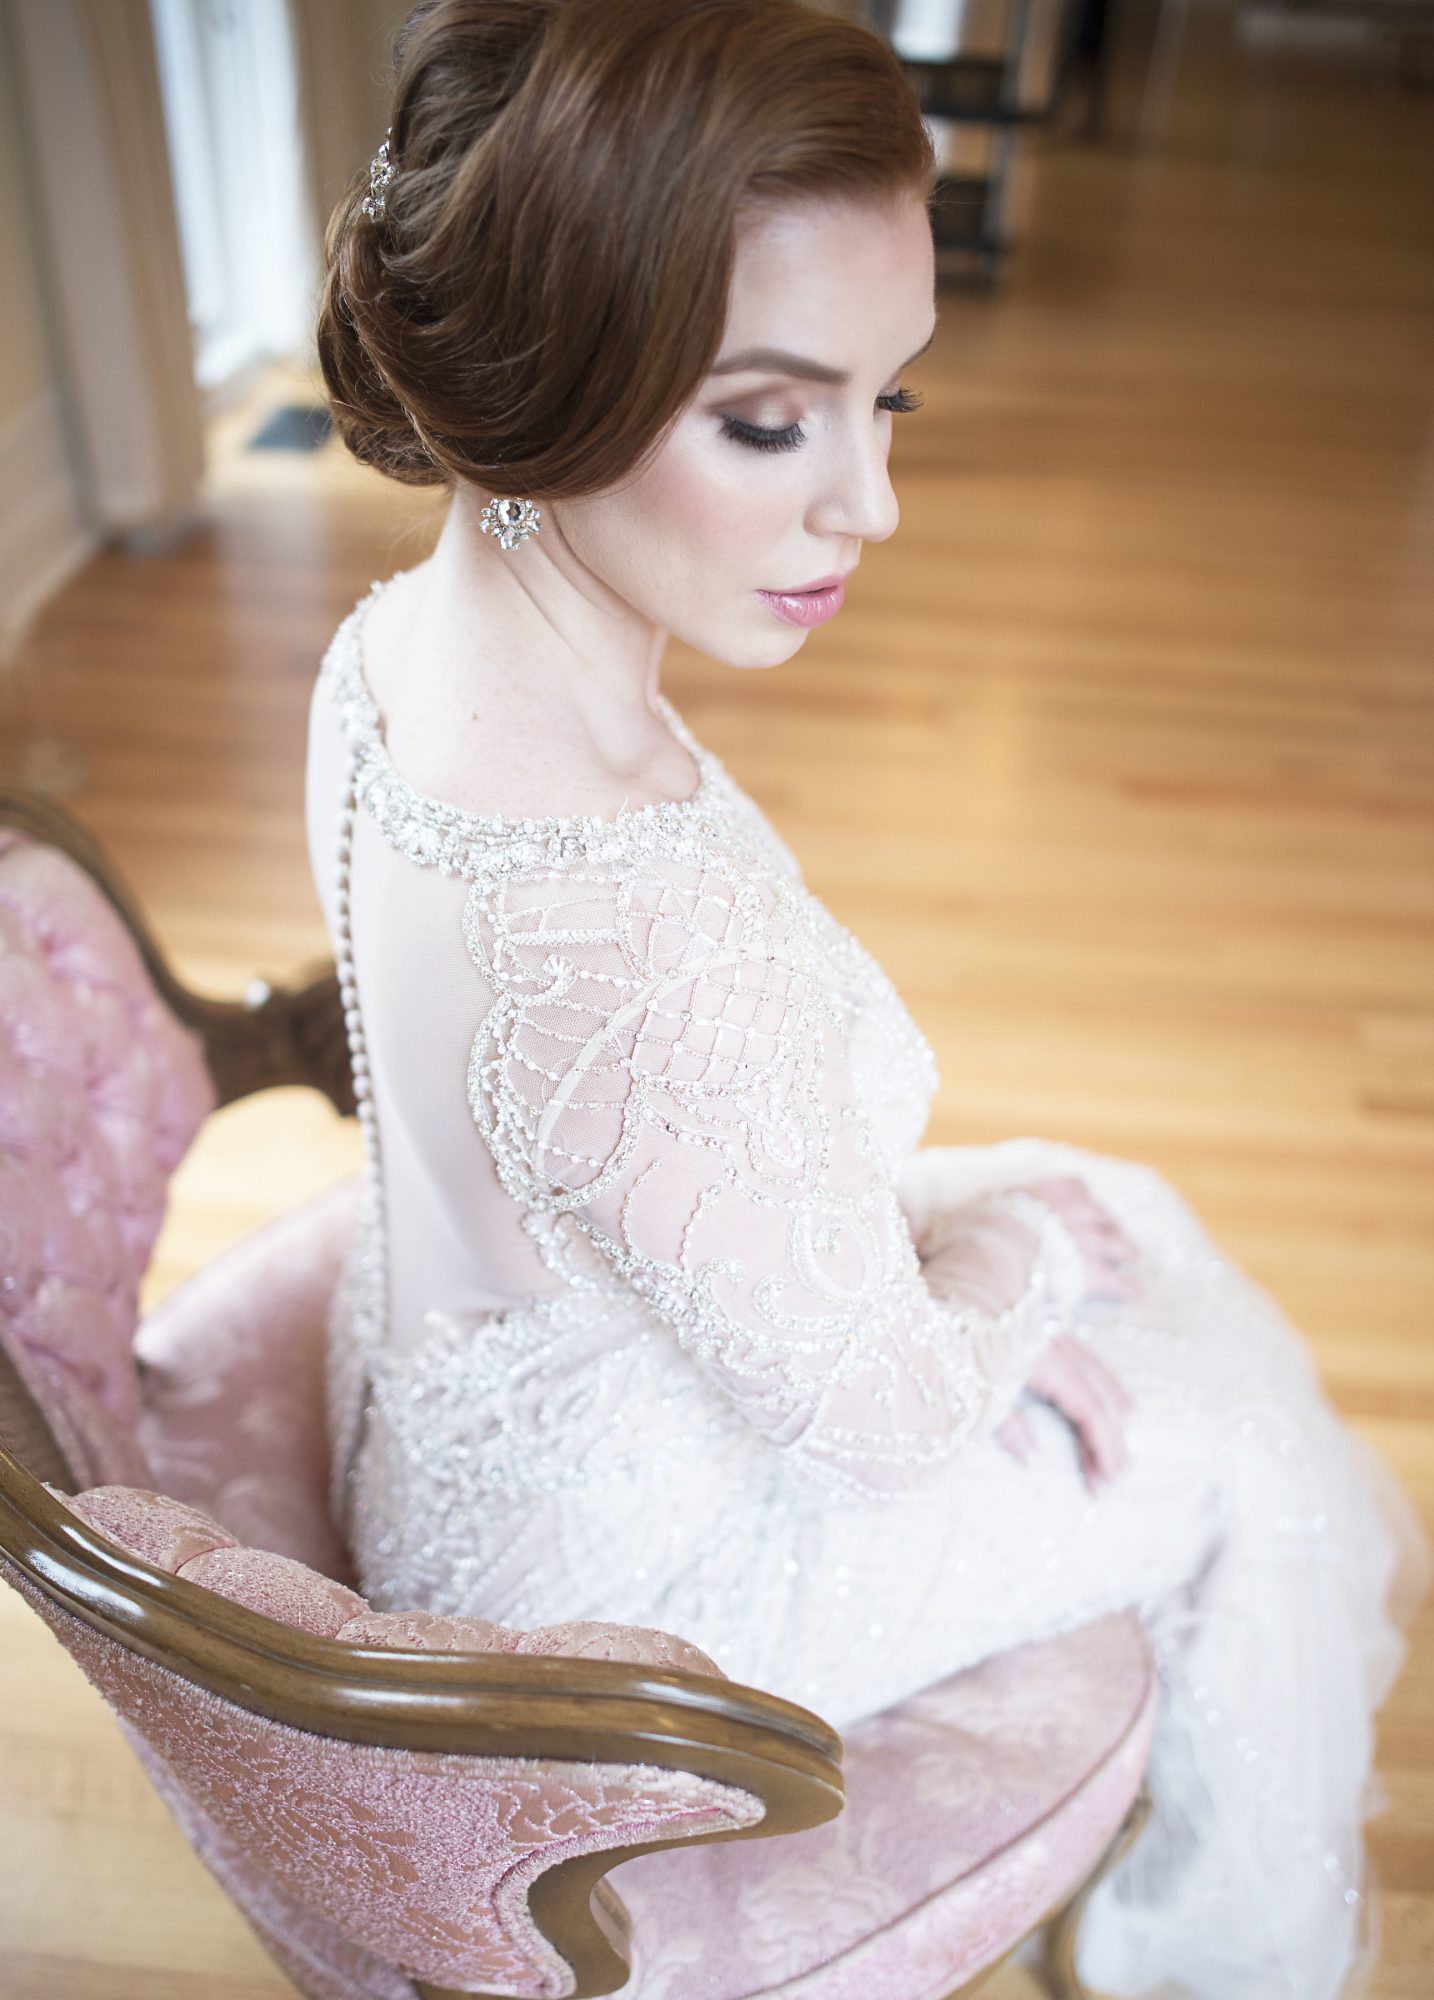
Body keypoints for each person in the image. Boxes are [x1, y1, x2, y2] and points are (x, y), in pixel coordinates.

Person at [305, 3, 1428, 1994]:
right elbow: (886, 1429)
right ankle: (1204, 1952)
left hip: (459, 1408)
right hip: (618, 1623)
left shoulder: (393, 646)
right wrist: (1005, 1270)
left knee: (1117, 1207)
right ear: (545, 375)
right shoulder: (635, 923)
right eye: (771, 421)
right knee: (1247, 1433)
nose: (870, 504)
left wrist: (1003, 1258)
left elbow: (604, 1145)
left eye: (884, 398)